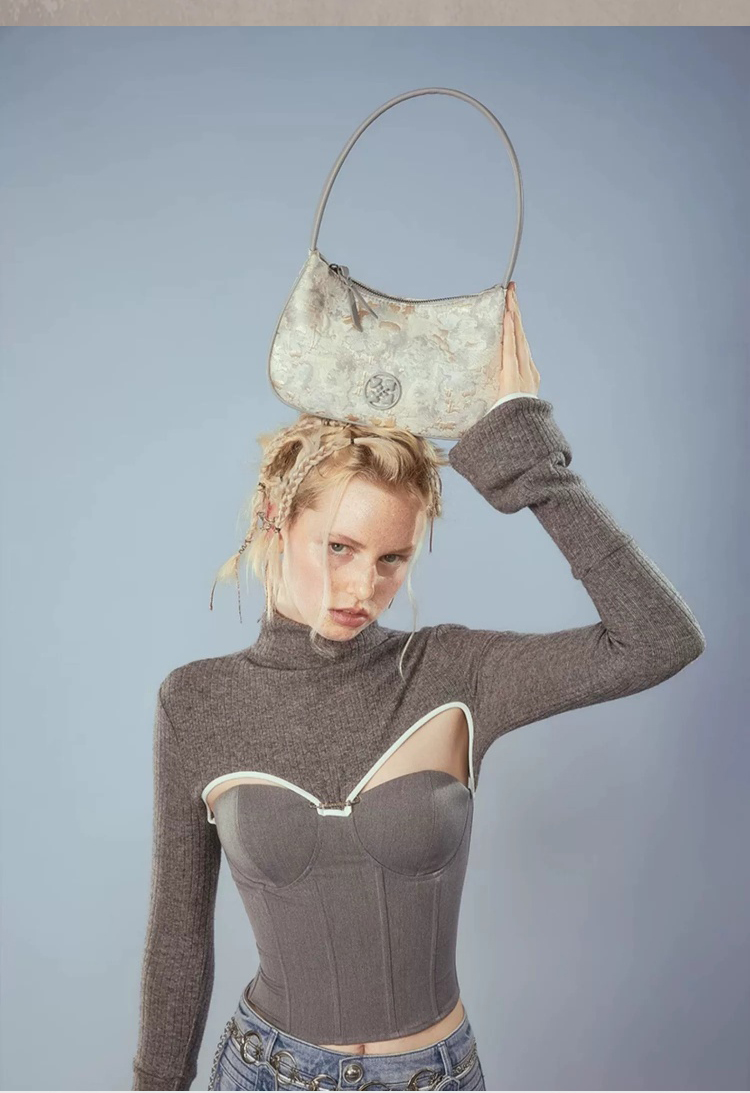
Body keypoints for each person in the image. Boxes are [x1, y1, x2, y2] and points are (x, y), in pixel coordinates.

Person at [132, 283, 706, 1091]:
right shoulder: (197, 702)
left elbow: (658, 637)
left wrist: (532, 462)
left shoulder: (455, 673)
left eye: (392, 558)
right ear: (273, 516)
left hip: (432, 1075)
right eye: (339, 546)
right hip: (262, 1070)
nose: (363, 586)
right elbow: (178, 940)